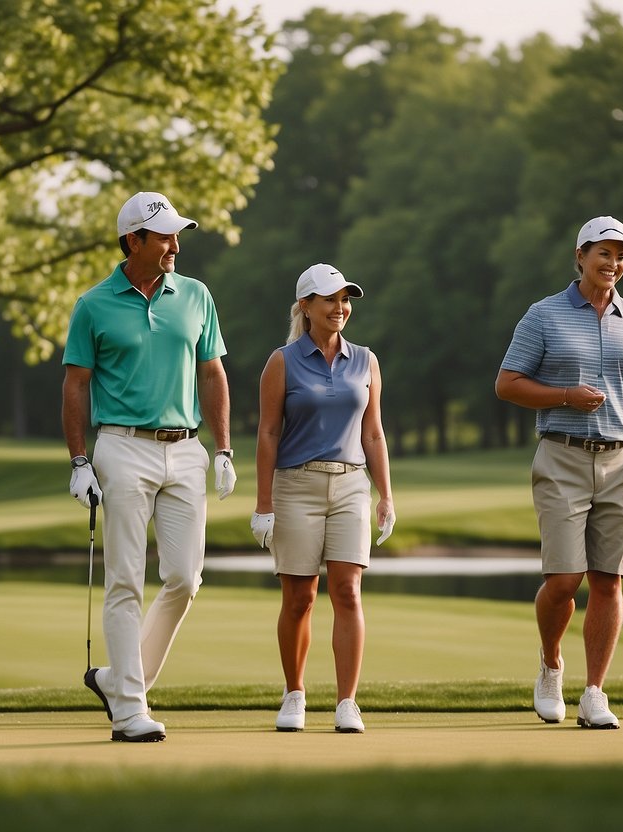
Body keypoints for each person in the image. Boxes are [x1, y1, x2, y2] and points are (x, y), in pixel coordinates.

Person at [61, 191, 237, 743]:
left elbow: (212, 373)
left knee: (185, 577)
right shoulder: (93, 305)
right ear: (133, 240)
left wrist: (225, 448)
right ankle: (131, 708)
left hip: (186, 448)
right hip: (121, 446)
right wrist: (79, 461)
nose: (175, 246)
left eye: (176, 236)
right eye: (164, 237)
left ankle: (118, 678)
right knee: (125, 581)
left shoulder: (196, 295)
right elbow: (75, 386)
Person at [495, 216, 623, 730]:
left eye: (621, 256)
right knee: (565, 579)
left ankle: (594, 692)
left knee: (609, 581)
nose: (613, 264)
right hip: (562, 455)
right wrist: (565, 396)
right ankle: (550, 663)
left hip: (621, 461)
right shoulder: (544, 315)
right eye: (603, 254)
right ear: (580, 256)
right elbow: (507, 383)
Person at [251, 263, 396, 734]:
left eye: (345, 300)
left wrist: (386, 496)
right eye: (330, 300)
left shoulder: (365, 360)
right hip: (295, 486)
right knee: (299, 599)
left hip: (351, 483)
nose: (340, 308)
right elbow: (268, 433)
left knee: (348, 593)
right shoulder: (283, 361)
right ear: (306, 307)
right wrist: (264, 503)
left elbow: (373, 433)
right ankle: (294, 694)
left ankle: (347, 702)